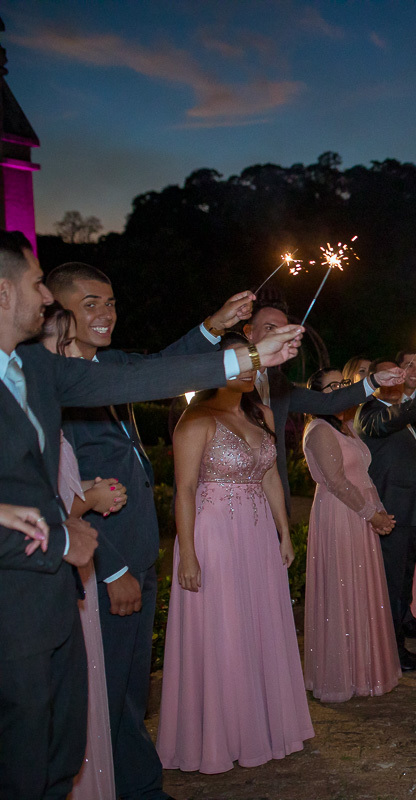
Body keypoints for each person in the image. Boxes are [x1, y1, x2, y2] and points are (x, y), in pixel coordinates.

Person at [0, 230, 303, 798]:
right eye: (40, 286)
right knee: (33, 745)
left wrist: (241, 350)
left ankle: (133, 783)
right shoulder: (40, 371)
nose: (43, 297)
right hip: (41, 584)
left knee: (87, 722)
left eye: (111, 302)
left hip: (93, 566)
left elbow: (148, 373)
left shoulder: (44, 373)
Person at [48, 260, 256, 800]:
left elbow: (163, 367)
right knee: (109, 688)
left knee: (132, 689)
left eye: (111, 301)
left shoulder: (112, 364)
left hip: (140, 549)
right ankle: (136, 789)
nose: (106, 312)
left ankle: (131, 783)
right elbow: (61, 497)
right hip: (102, 560)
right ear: (58, 309)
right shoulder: (55, 388)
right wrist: (112, 566)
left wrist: (213, 325)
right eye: (90, 302)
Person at [157, 335, 315, 773]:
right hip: (214, 534)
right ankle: (220, 736)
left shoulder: (260, 412)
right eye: (242, 362)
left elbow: (269, 478)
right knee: (223, 627)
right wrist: (187, 554)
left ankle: (261, 726)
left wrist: (284, 532)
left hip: (258, 531)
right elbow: (184, 490)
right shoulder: (195, 420)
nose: (252, 370)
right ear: (215, 365)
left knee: (259, 621)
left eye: (255, 363)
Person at [42, 304, 123, 800]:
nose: (70, 357)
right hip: (59, 572)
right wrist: (88, 499)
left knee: (82, 700)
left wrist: (87, 489)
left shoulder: (52, 414)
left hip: (78, 570)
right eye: (62, 345)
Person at [241, 301, 404, 513]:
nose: (276, 337)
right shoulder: (226, 377)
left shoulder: (278, 382)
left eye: (282, 331)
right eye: (269, 328)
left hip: (273, 495)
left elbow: (328, 402)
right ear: (249, 332)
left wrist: (374, 381)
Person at [301, 367, 402, 704]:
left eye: (344, 384)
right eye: (333, 386)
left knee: (362, 589)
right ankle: (340, 675)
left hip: (360, 513)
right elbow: (337, 482)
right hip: (341, 516)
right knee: (342, 590)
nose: (342, 390)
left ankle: (365, 671)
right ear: (316, 396)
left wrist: (379, 512)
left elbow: (362, 477)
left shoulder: (344, 426)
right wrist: (370, 514)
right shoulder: (318, 429)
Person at [354, 356, 416, 671]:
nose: (396, 380)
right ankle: (392, 653)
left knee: (404, 581)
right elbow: (386, 422)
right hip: (394, 511)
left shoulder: (403, 415)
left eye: (399, 375)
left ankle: (399, 646)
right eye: (390, 375)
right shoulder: (369, 412)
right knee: (392, 585)